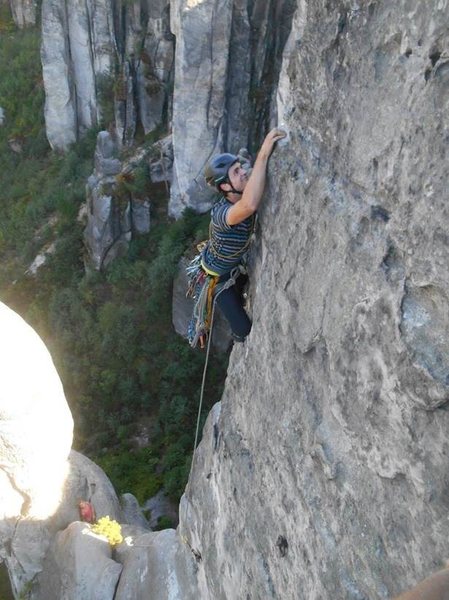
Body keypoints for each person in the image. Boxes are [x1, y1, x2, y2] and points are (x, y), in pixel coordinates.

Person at [201, 127, 286, 342]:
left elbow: (250, 173)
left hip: (234, 263)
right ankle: (229, 304)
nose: (244, 173)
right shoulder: (222, 215)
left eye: (240, 168)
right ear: (225, 187)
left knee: (243, 285)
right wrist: (264, 153)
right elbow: (249, 205)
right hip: (217, 277)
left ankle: (238, 283)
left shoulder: (242, 185)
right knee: (243, 330)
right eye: (236, 173)